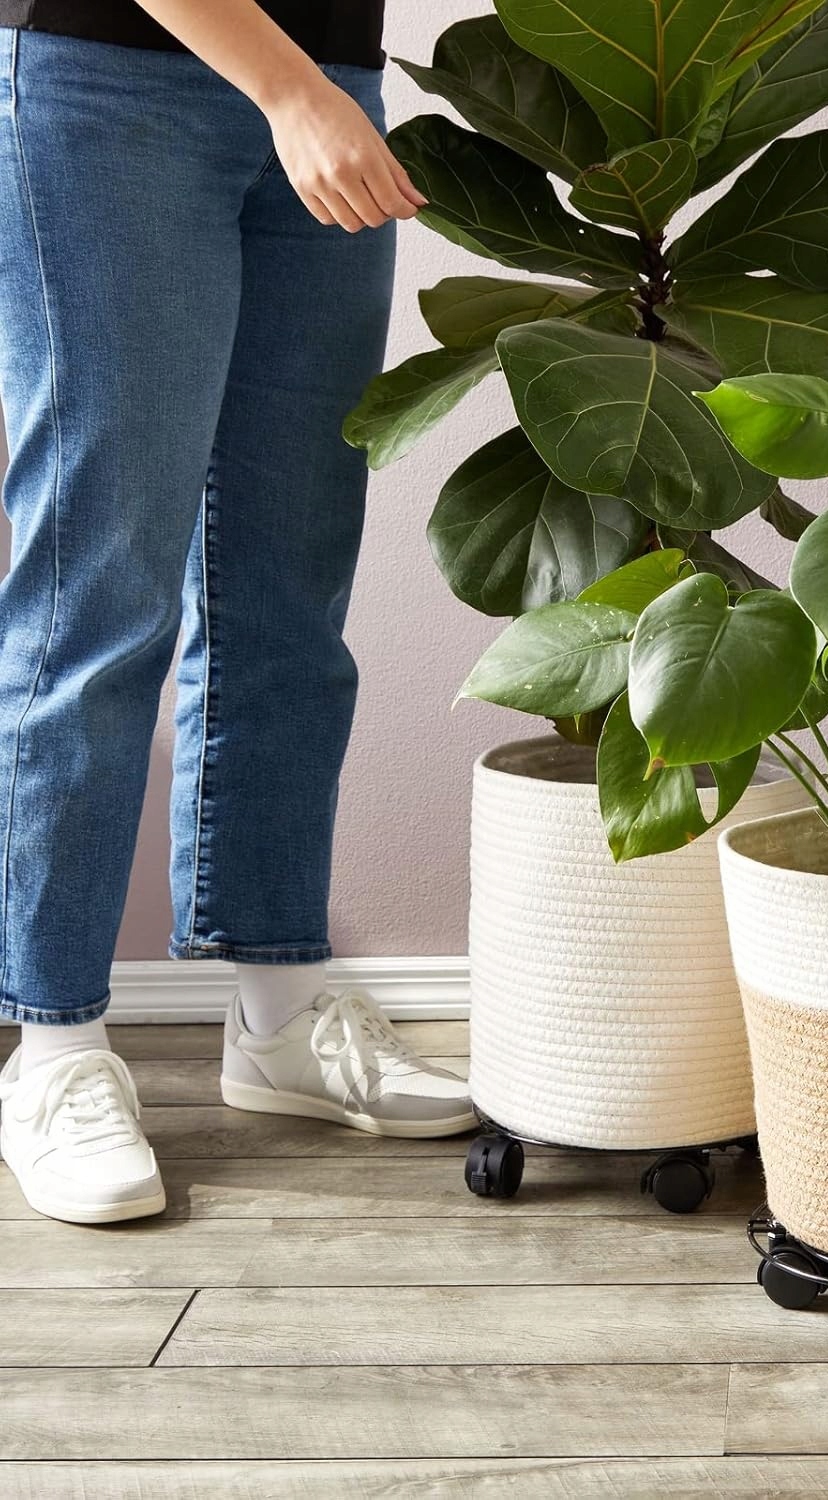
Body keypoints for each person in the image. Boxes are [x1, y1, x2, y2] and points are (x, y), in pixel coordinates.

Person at [0, 0, 474, 1227]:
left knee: (289, 583)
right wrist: (288, 92)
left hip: (328, 75)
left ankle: (281, 1016)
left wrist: (315, 87)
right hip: (106, 75)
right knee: (97, 593)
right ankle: (53, 1050)